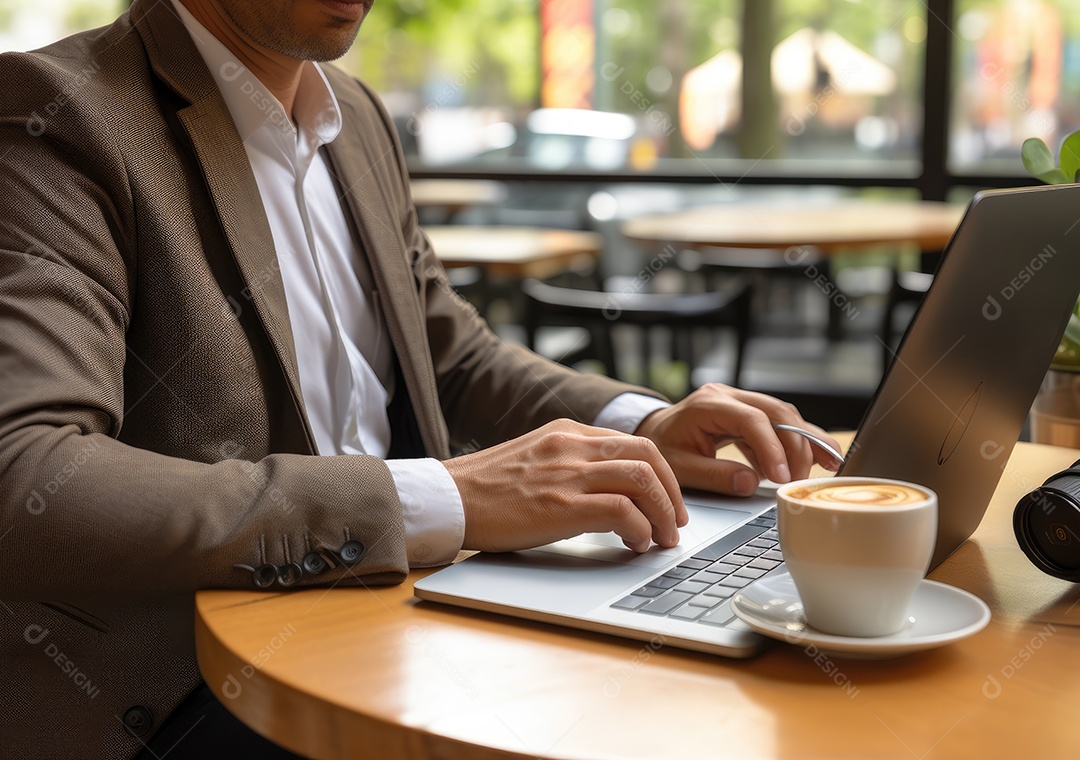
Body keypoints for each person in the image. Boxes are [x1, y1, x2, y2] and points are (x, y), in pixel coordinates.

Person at [0, 0, 840, 757]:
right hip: (185, 685)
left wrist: (640, 423)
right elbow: (29, 475)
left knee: (694, 700)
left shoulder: (355, 116)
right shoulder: (62, 114)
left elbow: (454, 354)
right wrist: (445, 497)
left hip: (393, 614)